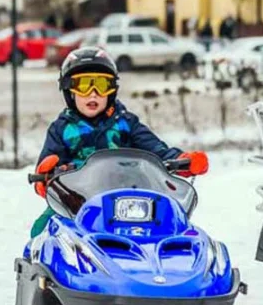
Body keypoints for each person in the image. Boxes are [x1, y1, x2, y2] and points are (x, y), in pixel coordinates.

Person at [30, 47, 209, 237]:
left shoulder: (126, 123)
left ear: (112, 90)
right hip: (77, 201)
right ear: (69, 90)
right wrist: (46, 177)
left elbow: (155, 149)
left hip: (130, 198)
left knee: (171, 224)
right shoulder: (61, 129)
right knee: (41, 229)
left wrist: (182, 160)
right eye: (83, 86)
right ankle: (38, 260)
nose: (93, 94)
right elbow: (48, 164)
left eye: (101, 85)